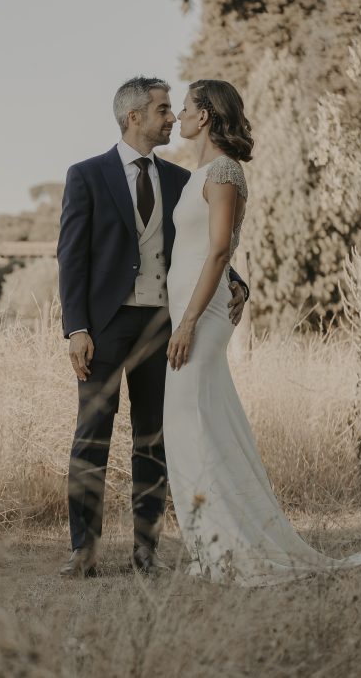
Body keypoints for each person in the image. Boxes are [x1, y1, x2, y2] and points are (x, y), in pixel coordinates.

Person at [162, 79, 361, 586]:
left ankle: (227, 552)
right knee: (198, 430)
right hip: (190, 311)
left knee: (194, 429)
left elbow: (218, 251)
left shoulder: (223, 172)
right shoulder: (202, 173)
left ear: (207, 116)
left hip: (200, 319)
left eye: (186, 108)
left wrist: (189, 321)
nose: (178, 116)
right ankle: (212, 547)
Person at [56, 76, 248, 577]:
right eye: (163, 110)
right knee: (91, 434)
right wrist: (76, 328)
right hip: (104, 326)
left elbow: (205, 243)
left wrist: (237, 281)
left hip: (164, 325)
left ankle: (146, 550)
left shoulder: (180, 179)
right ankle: (84, 550)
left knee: (152, 439)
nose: (171, 118)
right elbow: (71, 258)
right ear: (134, 116)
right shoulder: (87, 175)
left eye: (173, 109)